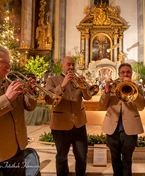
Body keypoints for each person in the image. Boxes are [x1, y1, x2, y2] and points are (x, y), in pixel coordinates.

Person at [45, 56, 92, 176]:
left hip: (79, 124)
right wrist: (62, 86)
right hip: (60, 125)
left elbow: (88, 96)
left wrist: (84, 85)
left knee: (82, 157)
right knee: (61, 157)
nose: (71, 67)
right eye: (68, 64)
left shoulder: (78, 80)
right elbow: (49, 100)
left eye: (73, 65)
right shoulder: (52, 80)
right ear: (62, 66)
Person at [99, 63, 145, 176]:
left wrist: (133, 89)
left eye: (128, 72)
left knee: (127, 159)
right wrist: (106, 91)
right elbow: (102, 105)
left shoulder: (137, 87)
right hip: (112, 129)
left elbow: (142, 105)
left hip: (130, 129)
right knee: (114, 159)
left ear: (131, 74)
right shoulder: (112, 86)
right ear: (119, 74)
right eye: (123, 72)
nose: (125, 74)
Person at [0, 45, 37, 176]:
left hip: (17, 147)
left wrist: (30, 93)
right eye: (4, 62)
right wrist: (7, 98)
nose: (9, 66)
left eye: (9, 62)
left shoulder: (10, 84)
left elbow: (30, 107)